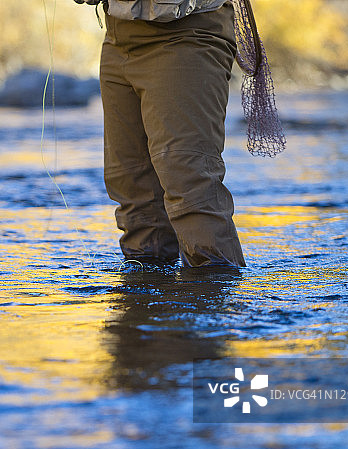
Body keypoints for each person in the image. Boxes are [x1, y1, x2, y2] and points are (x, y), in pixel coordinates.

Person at [75, 0, 246, 267]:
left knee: (191, 190)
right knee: (134, 194)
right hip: (118, 36)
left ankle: (213, 291)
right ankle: (147, 292)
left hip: (186, 34)